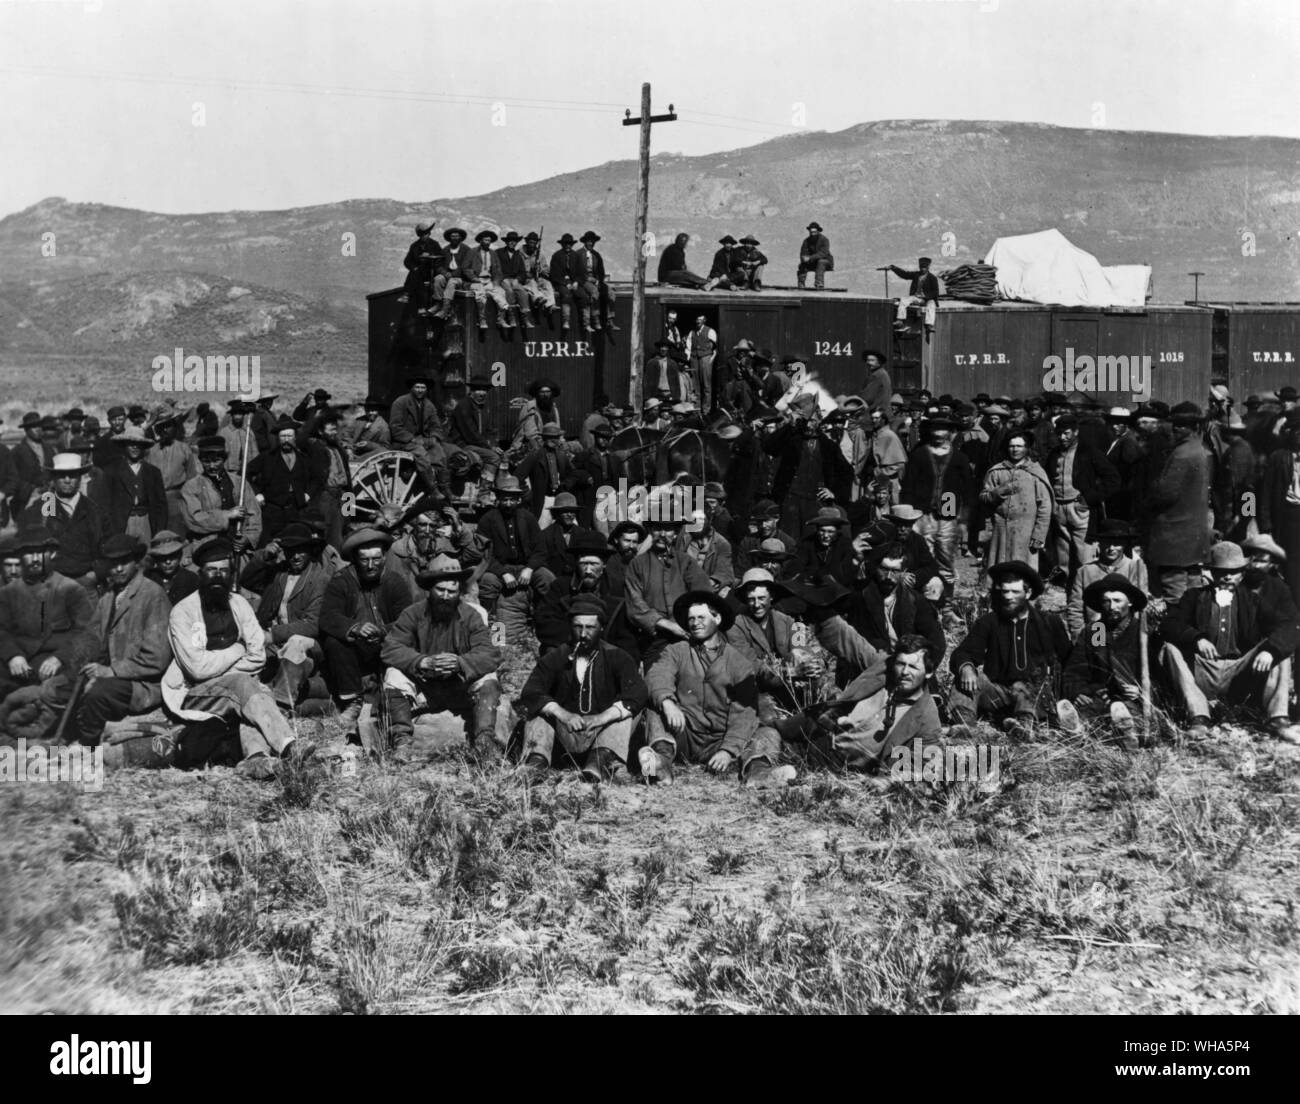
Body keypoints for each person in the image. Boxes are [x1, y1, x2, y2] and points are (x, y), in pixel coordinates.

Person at [161, 537, 312, 776]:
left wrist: (227, 671)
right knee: (246, 687)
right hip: (195, 691)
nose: (218, 576)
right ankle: (290, 745)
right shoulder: (183, 612)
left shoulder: (239, 604)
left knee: (246, 691)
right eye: (211, 571)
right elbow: (197, 669)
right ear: (200, 573)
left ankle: (257, 759)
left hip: (237, 687)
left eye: (224, 571)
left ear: (231, 574)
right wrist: (237, 650)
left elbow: (259, 656)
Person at [641, 589, 792, 788]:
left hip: (720, 739)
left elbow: (744, 711)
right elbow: (658, 674)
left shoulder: (738, 661)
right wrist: (668, 702)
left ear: (717, 619)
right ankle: (661, 764)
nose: (695, 623)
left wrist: (728, 750)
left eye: (701, 617)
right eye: (691, 619)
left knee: (768, 733)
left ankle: (758, 774)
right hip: (685, 734)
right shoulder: (676, 650)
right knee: (655, 708)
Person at [1158, 541, 1300, 743]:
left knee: (1279, 649)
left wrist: (1270, 651)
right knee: (1170, 649)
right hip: (1204, 671)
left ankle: (1277, 719)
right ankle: (1198, 718)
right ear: (1211, 574)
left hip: (1240, 674)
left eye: (1233, 572)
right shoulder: (1194, 597)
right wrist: (1196, 638)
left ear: (1242, 574)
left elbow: (1288, 626)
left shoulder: (1252, 601)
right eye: (1221, 571)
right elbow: (1169, 624)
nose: (1227, 576)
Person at [380, 554, 504, 762]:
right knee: (393, 675)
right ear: (430, 589)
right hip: (425, 688)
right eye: (441, 590)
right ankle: (402, 741)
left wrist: (460, 663)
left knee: (489, 677)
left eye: (452, 591)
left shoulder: (471, 615)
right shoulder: (412, 613)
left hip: (459, 687)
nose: (446, 596)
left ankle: (484, 743)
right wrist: (421, 661)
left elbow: (490, 654)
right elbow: (390, 648)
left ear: (459, 592)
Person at [517, 595, 648, 783]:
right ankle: (536, 764)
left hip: (602, 733)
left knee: (627, 712)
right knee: (538, 709)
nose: (583, 634)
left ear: (601, 628)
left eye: (590, 627)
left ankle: (599, 763)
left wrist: (603, 717)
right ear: (570, 627)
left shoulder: (617, 656)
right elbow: (531, 691)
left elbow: (638, 692)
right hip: (566, 735)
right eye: (578, 627)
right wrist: (562, 714)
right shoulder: (557, 656)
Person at [948, 560, 1071, 737]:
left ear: (1028, 593)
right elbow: (964, 652)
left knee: (1026, 687)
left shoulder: (1049, 622)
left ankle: (1023, 727)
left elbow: (1068, 660)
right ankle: (965, 726)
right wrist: (966, 667)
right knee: (966, 677)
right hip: (999, 693)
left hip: (1035, 695)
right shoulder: (990, 622)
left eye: (1015, 592)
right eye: (1005, 591)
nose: (1008, 597)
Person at [71, 535, 172, 746]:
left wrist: (111, 671)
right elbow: (92, 636)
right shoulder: (109, 596)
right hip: (112, 674)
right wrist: (79, 661)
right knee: (65, 684)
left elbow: (157, 659)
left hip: (142, 683)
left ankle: (88, 747)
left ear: (136, 562)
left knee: (98, 694)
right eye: (113, 564)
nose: (118, 569)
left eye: (124, 562)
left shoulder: (153, 595)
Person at [791, 635, 944, 773]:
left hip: (838, 769)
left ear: (929, 673)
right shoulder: (882, 674)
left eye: (913, 667)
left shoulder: (926, 717)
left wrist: (889, 780)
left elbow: (925, 767)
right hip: (813, 734)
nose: (904, 672)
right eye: (900, 664)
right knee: (771, 734)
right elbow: (848, 639)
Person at [318, 527, 410, 732]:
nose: (371, 566)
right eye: (364, 560)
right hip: (355, 654)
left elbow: (407, 620)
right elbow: (327, 616)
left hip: (387, 648)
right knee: (334, 641)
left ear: (384, 557)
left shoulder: (395, 582)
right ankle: (353, 701)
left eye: (376, 559)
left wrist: (382, 631)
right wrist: (355, 628)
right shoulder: (342, 581)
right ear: (355, 560)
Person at [0, 527, 95, 715]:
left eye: (40, 553)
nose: (35, 559)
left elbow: (88, 633)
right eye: (28, 554)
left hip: (56, 664)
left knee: (57, 690)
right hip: (19, 664)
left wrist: (60, 657)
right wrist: (12, 655)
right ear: (21, 558)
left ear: (51, 554)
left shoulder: (71, 589)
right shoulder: (8, 593)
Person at [238, 523, 331, 709]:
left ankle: (280, 703)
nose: (295, 557)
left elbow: (312, 625)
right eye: (290, 551)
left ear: (310, 551)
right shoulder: (279, 573)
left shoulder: (320, 579)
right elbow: (246, 580)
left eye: (301, 551)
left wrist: (272, 634)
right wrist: (265, 556)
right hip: (276, 643)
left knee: (296, 643)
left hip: (309, 645)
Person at [1060, 573, 1149, 749]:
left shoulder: (1142, 632)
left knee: (1127, 715)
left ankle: (1129, 736)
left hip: (1135, 700)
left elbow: (1161, 674)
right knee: (1087, 713)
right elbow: (1078, 668)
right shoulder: (1098, 630)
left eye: (1117, 601)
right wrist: (1080, 692)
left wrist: (1142, 690)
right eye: (1106, 601)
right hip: (1102, 697)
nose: (1111, 607)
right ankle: (1078, 733)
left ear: (1130, 602)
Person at [625, 506, 713, 669]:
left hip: (688, 633)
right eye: (658, 528)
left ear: (676, 533)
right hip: (655, 639)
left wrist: (689, 622)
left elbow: (703, 595)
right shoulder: (637, 564)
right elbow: (635, 605)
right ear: (650, 531)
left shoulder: (685, 562)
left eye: (668, 529)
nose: (663, 534)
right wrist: (667, 625)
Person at [899, 415, 975, 599]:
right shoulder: (919, 455)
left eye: (944, 430)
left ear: (951, 433)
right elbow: (908, 486)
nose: (939, 434)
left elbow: (968, 491)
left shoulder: (959, 458)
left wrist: (964, 520)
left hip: (948, 515)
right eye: (935, 429)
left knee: (946, 558)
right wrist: (908, 513)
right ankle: (924, 600)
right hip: (922, 515)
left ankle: (946, 602)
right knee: (923, 556)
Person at [1146, 403, 1213, 602]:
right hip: (1192, 535)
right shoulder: (1198, 449)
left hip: (1175, 535)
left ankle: (1177, 628)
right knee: (1193, 590)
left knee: (1173, 592)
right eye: (1175, 424)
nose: (1176, 428)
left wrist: (1149, 498)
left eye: (1182, 425)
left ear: (1194, 427)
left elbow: (1166, 493)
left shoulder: (1182, 454)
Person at [1044, 414, 1120, 587]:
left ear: (1076, 432)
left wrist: (1089, 498)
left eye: (1066, 433)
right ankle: (1067, 589)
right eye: (1059, 433)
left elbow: (1113, 479)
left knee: (1083, 553)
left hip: (1080, 510)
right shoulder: (1054, 454)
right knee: (1062, 553)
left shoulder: (1089, 452)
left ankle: (1088, 587)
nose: (1062, 437)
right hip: (1059, 509)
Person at [20, 453, 107, 587]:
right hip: (51, 584)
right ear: (54, 478)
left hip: (85, 582)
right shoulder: (42, 507)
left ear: (80, 477)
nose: (67, 480)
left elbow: (105, 547)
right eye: (62, 475)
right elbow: (26, 543)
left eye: (72, 475)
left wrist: (95, 574)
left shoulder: (93, 510)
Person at [980, 432, 1053, 577]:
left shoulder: (1035, 473)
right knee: (998, 569)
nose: (1015, 449)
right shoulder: (997, 471)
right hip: (1000, 530)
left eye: (1019, 446)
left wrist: (1039, 535)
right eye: (1012, 446)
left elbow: (1045, 506)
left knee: (1024, 571)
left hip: (1026, 531)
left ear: (1026, 448)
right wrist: (999, 492)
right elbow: (983, 498)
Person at [1064, 519, 1149, 640]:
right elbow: (1075, 609)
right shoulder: (1086, 571)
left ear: (1124, 545)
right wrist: (1079, 637)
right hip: (1097, 630)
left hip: (1127, 633)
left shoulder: (1136, 568)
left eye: (1116, 544)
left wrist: (1132, 636)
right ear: (1099, 544)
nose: (1111, 548)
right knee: (1098, 655)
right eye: (1106, 543)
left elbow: (1139, 608)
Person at [181, 435, 262, 552]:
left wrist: (248, 538)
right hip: (206, 547)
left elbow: (254, 515)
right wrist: (226, 515)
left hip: (237, 547)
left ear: (224, 460)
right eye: (206, 462)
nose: (212, 466)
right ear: (200, 461)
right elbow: (194, 520)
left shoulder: (240, 482)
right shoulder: (191, 487)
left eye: (216, 460)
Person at [1258, 412, 1300, 608]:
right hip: (1288, 516)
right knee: (1290, 564)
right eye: (1297, 432)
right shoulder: (1279, 457)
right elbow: (1263, 492)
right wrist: (1264, 523)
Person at [387, 374, 452, 499]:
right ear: (412, 388)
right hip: (403, 442)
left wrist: (434, 437)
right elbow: (395, 427)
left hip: (423, 440)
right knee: (421, 454)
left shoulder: (429, 405)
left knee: (440, 453)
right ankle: (432, 489)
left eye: (423, 387)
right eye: (417, 387)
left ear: (426, 389)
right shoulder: (400, 402)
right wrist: (412, 439)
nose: (420, 390)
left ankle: (444, 486)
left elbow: (436, 426)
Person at [449, 375, 505, 487]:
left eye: (484, 390)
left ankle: (499, 490)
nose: (482, 393)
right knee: (493, 457)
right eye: (478, 389)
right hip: (463, 445)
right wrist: (490, 447)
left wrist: (494, 443)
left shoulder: (483, 408)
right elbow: (471, 434)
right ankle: (484, 492)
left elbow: (490, 430)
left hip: (478, 445)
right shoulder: (464, 406)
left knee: (504, 455)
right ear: (472, 391)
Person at [515, 424, 574, 523]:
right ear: (543, 438)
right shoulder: (535, 455)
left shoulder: (562, 456)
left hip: (559, 500)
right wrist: (528, 495)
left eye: (555, 437)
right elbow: (517, 477)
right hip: (542, 500)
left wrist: (566, 485)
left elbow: (573, 474)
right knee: (542, 530)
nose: (553, 440)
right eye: (549, 437)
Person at [463, 229, 514, 331]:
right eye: (486, 240)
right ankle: (482, 320)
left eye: (489, 240)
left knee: (501, 293)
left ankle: (501, 319)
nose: (488, 242)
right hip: (475, 281)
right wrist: (474, 278)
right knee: (480, 295)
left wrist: (496, 281)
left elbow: (499, 270)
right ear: (481, 241)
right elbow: (465, 268)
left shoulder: (493, 254)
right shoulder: (472, 252)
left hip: (489, 280)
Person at [430, 227, 473, 326]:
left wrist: (453, 275)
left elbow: (466, 267)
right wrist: (445, 273)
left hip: (461, 278)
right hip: (447, 275)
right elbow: (438, 265)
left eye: (457, 236)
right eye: (452, 236)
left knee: (452, 282)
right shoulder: (445, 250)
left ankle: (445, 309)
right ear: (449, 238)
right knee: (438, 279)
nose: (454, 238)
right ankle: (438, 303)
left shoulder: (466, 250)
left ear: (460, 238)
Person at [144, 530, 198, 605]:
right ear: (156, 559)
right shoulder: (148, 578)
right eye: (163, 557)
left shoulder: (191, 579)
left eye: (172, 556)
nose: (168, 562)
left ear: (180, 556)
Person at [512, 378, 563, 455]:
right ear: (537, 394)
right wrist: (548, 444)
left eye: (548, 392)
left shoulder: (554, 408)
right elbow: (530, 435)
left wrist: (560, 442)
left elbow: (557, 429)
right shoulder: (530, 408)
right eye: (542, 392)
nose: (545, 395)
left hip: (550, 442)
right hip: (530, 445)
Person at [402, 219, 443, 315]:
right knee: (416, 274)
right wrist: (414, 267)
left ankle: (407, 294)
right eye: (422, 234)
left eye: (426, 233)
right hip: (419, 272)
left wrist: (430, 256)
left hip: (432, 271)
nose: (425, 236)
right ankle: (420, 306)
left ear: (429, 233)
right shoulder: (414, 246)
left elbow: (441, 258)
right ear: (419, 235)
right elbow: (407, 261)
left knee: (417, 275)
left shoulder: (434, 244)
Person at [890, 257, 941, 333]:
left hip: (927, 299)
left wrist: (925, 296)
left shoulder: (932, 278)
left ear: (928, 267)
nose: (922, 269)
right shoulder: (916, 275)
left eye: (924, 267)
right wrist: (894, 268)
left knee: (931, 305)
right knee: (904, 300)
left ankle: (929, 325)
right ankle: (900, 321)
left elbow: (935, 292)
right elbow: (905, 274)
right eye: (921, 267)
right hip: (916, 297)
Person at [685, 315, 719, 412]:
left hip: (705, 358)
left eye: (700, 320)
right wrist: (689, 359)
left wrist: (710, 360)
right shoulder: (692, 332)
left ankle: (706, 410)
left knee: (706, 385)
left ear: (704, 321)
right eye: (697, 319)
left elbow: (714, 348)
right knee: (695, 385)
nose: (698, 321)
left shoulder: (710, 331)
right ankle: (697, 409)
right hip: (694, 358)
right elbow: (688, 347)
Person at [797, 222, 834, 289]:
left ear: (818, 231)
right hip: (813, 262)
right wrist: (804, 258)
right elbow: (803, 253)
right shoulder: (806, 241)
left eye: (814, 232)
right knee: (802, 264)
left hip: (826, 262)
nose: (812, 234)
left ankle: (819, 284)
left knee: (821, 262)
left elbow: (823, 253)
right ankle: (801, 284)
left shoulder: (824, 240)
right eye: (811, 232)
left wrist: (810, 258)